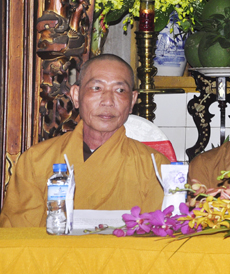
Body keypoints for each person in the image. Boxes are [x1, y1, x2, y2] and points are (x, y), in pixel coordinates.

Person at [0, 54, 168, 228]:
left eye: (120, 90)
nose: (108, 101)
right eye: (96, 88)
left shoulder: (155, 167)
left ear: (132, 100)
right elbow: (19, 236)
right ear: (75, 95)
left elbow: (157, 239)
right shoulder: (36, 160)